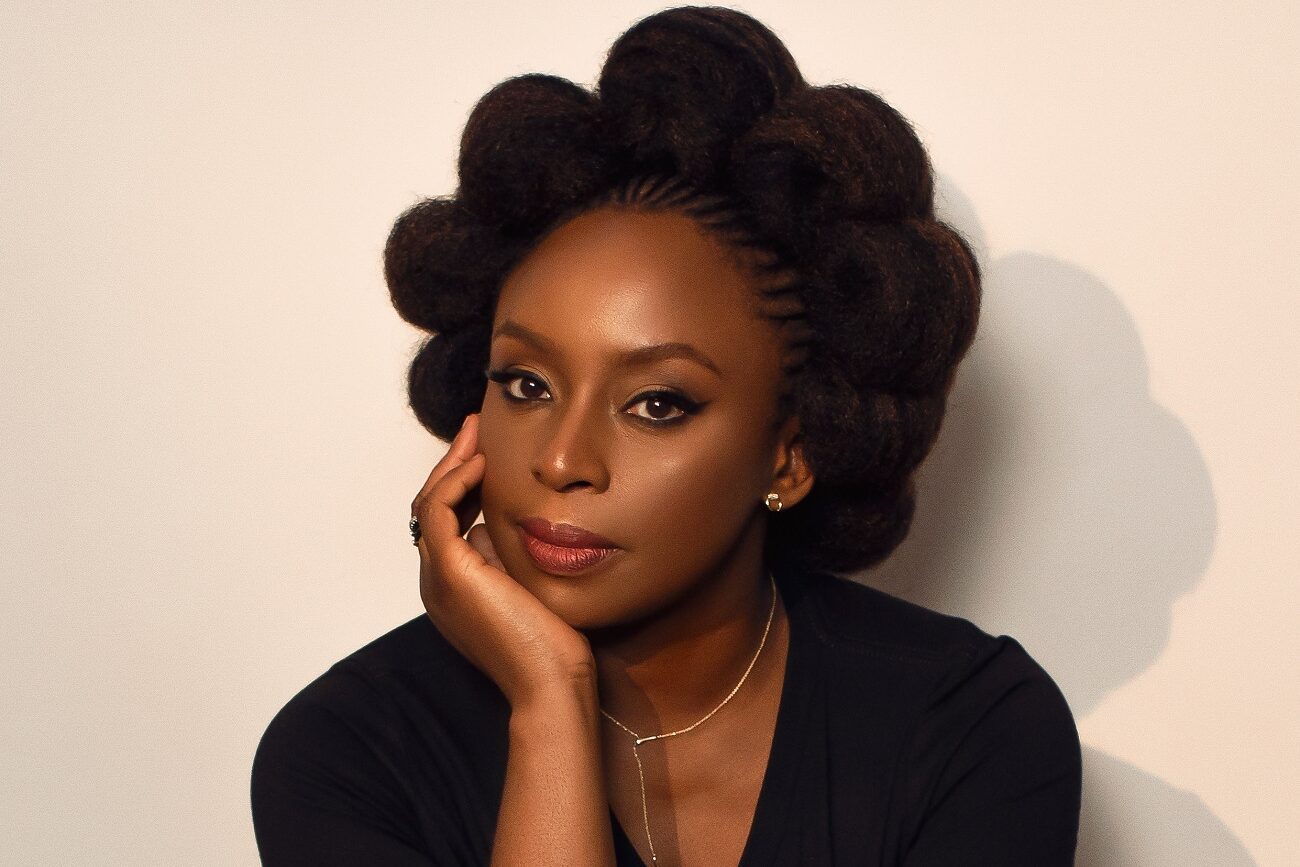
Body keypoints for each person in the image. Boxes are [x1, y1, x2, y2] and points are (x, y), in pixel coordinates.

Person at [250, 7, 1082, 865]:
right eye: (526, 384)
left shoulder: (967, 732)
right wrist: (549, 702)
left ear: (790, 455)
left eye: (657, 404)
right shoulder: (347, 756)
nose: (562, 459)